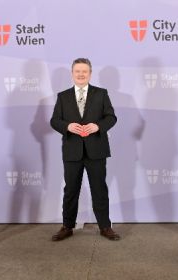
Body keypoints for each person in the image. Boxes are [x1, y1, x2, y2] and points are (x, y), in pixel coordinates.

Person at [50, 58, 120, 241]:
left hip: (96, 149)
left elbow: (111, 117)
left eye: (84, 71)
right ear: (72, 73)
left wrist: (98, 126)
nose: (81, 75)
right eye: (77, 71)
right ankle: (67, 226)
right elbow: (54, 120)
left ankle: (105, 226)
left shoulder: (101, 94)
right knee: (71, 189)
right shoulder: (63, 96)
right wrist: (67, 127)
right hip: (72, 151)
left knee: (99, 189)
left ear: (90, 73)